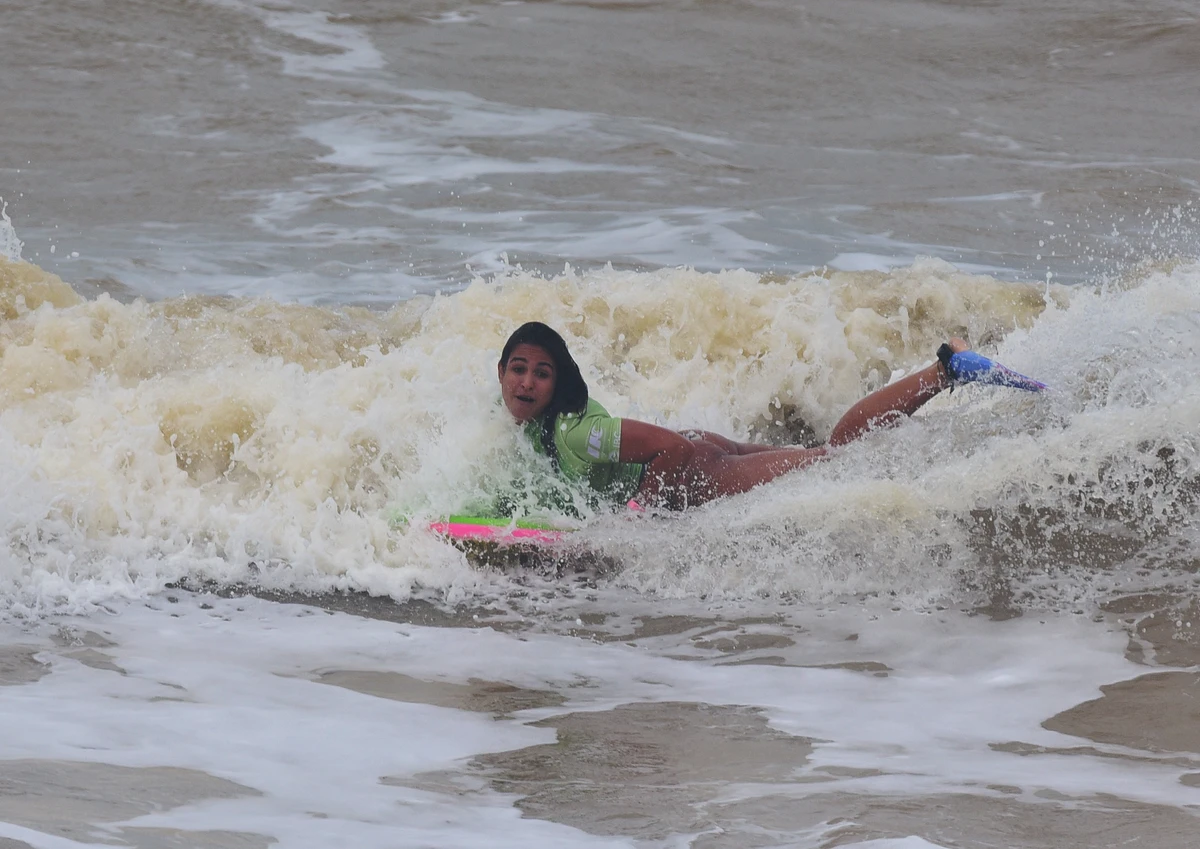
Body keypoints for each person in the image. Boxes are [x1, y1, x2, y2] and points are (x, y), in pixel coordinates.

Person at [497, 321, 992, 510]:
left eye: (542, 374)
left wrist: (638, 516)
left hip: (701, 472)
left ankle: (945, 367)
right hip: (700, 452)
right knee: (820, 457)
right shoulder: (530, 424)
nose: (526, 383)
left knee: (838, 456)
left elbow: (674, 449)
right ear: (500, 372)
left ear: (558, 384)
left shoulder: (578, 432)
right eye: (518, 370)